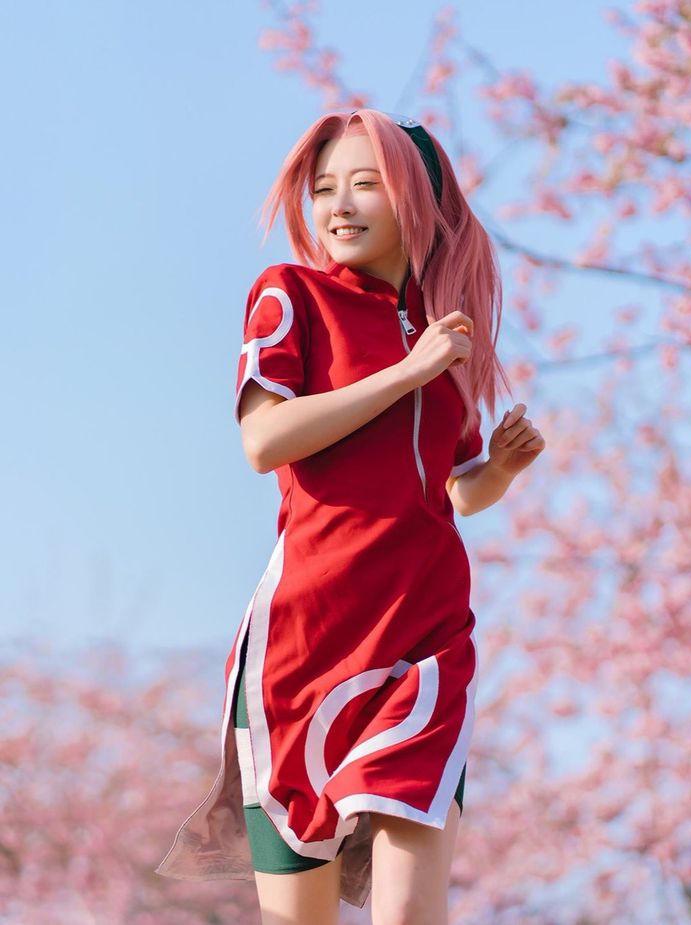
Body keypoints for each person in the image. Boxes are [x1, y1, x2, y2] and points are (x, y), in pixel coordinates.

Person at [155, 109, 545, 925]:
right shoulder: (289, 295)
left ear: (419, 203)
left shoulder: (445, 341)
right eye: (325, 186)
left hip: (425, 638)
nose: (339, 204)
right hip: (306, 641)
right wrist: (406, 374)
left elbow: (458, 491)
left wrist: (498, 469)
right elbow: (264, 440)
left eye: (366, 184)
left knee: (409, 912)